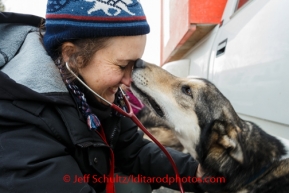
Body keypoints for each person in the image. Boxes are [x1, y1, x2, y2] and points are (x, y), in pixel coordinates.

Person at [0, 1, 203, 193]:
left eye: (134, 65)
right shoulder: (20, 118)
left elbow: (134, 151)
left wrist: (197, 174)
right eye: (122, 66)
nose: (129, 80)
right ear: (73, 56)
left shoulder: (91, 90)